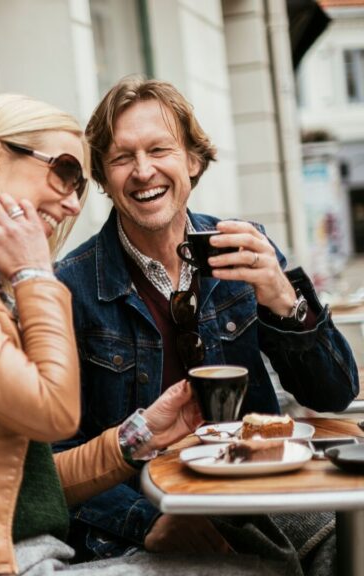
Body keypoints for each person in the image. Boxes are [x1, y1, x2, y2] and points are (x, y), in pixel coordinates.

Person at [0, 94, 282, 575]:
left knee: (266, 556)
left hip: (28, 558)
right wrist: (36, 273)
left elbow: (32, 486)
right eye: (64, 172)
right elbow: (53, 412)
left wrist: (140, 433)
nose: (75, 202)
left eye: (79, 183)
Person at [54, 76, 360, 564]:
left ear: (193, 160)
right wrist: (148, 522)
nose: (142, 171)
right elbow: (55, 462)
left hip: (258, 491)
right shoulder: (69, 287)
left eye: (160, 149)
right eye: (121, 157)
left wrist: (285, 298)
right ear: (103, 178)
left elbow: (336, 393)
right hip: (145, 513)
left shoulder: (243, 247)